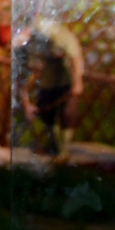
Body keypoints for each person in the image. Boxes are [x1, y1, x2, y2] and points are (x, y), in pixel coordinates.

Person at [23, 23, 84, 159]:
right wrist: (26, 97)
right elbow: (29, 69)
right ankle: (54, 145)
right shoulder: (32, 42)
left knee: (68, 114)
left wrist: (77, 82)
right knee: (47, 114)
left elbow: (75, 56)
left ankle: (64, 149)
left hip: (66, 81)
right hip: (48, 82)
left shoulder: (59, 35)